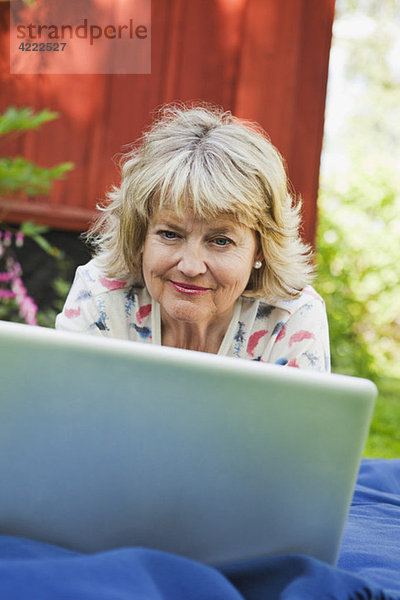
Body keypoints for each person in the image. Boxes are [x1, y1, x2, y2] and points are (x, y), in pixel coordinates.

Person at [56, 103, 330, 371]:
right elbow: (62, 409)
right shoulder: (102, 297)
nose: (190, 266)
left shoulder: (292, 319)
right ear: (139, 234)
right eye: (170, 234)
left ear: (260, 249)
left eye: (221, 241)